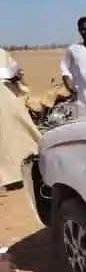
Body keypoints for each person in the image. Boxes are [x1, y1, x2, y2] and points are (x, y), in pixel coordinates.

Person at [0, 48, 40, 187]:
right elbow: (17, 74)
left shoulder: (2, 53)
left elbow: (16, 73)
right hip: (7, 98)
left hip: (7, 97)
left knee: (14, 136)